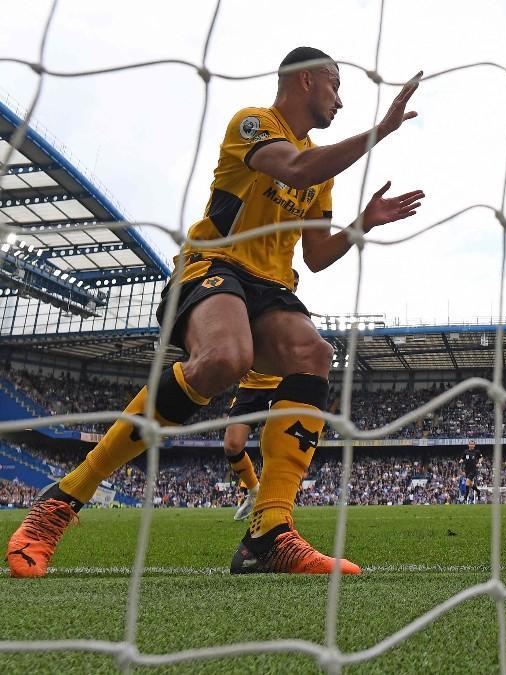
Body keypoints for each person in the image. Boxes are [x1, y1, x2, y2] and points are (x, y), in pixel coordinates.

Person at [7, 46, 426, 578]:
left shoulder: (323, 172)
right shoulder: (253, 124)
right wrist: (381, 129)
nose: (340, 100)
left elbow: (316, 257)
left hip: (271, 286)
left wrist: (362, 223)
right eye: (335, 86)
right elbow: (294, 169)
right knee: (227, 358)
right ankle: (63, 500)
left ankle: (269, 534)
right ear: (304, 82)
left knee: (313, 353)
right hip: (213, 265)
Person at [224, 369, 281, 521]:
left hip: (278, 386)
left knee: (269, 446)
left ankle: (273, 503)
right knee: (232, 445)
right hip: (249, 387)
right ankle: (254, 491)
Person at [461, 440, 481, 505]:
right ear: (468, 445)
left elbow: (481, 458)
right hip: (467, 470)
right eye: (470, 444)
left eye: (473, 444)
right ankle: (478, 491)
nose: (472, 445)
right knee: (470, 484)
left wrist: (479, 463)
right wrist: (461, 460)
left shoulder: (477, 452)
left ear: (474, 445)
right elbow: (462, 458)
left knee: (467, 482)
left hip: (473, 470)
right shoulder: (465, 452)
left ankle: (465, 498)